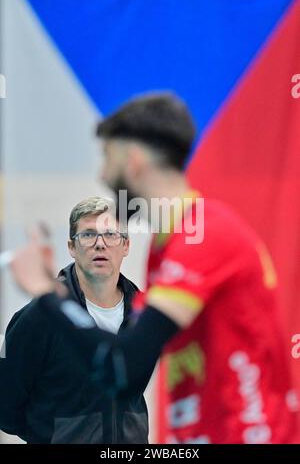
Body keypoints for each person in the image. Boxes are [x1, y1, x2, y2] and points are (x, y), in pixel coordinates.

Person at [10, 93, 299, 443]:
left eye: (107, 157)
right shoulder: (169, 246)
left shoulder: (204, 235)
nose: (102, 173)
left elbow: (122, 368)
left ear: (133, 161)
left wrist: (46, 294)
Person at [0, 196, 149, 444]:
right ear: (71, 247)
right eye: (88, 235)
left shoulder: (143, 313)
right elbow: (5, 406)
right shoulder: (39, 317)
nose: (100, 244)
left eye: (110, 234)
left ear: (126, 245)